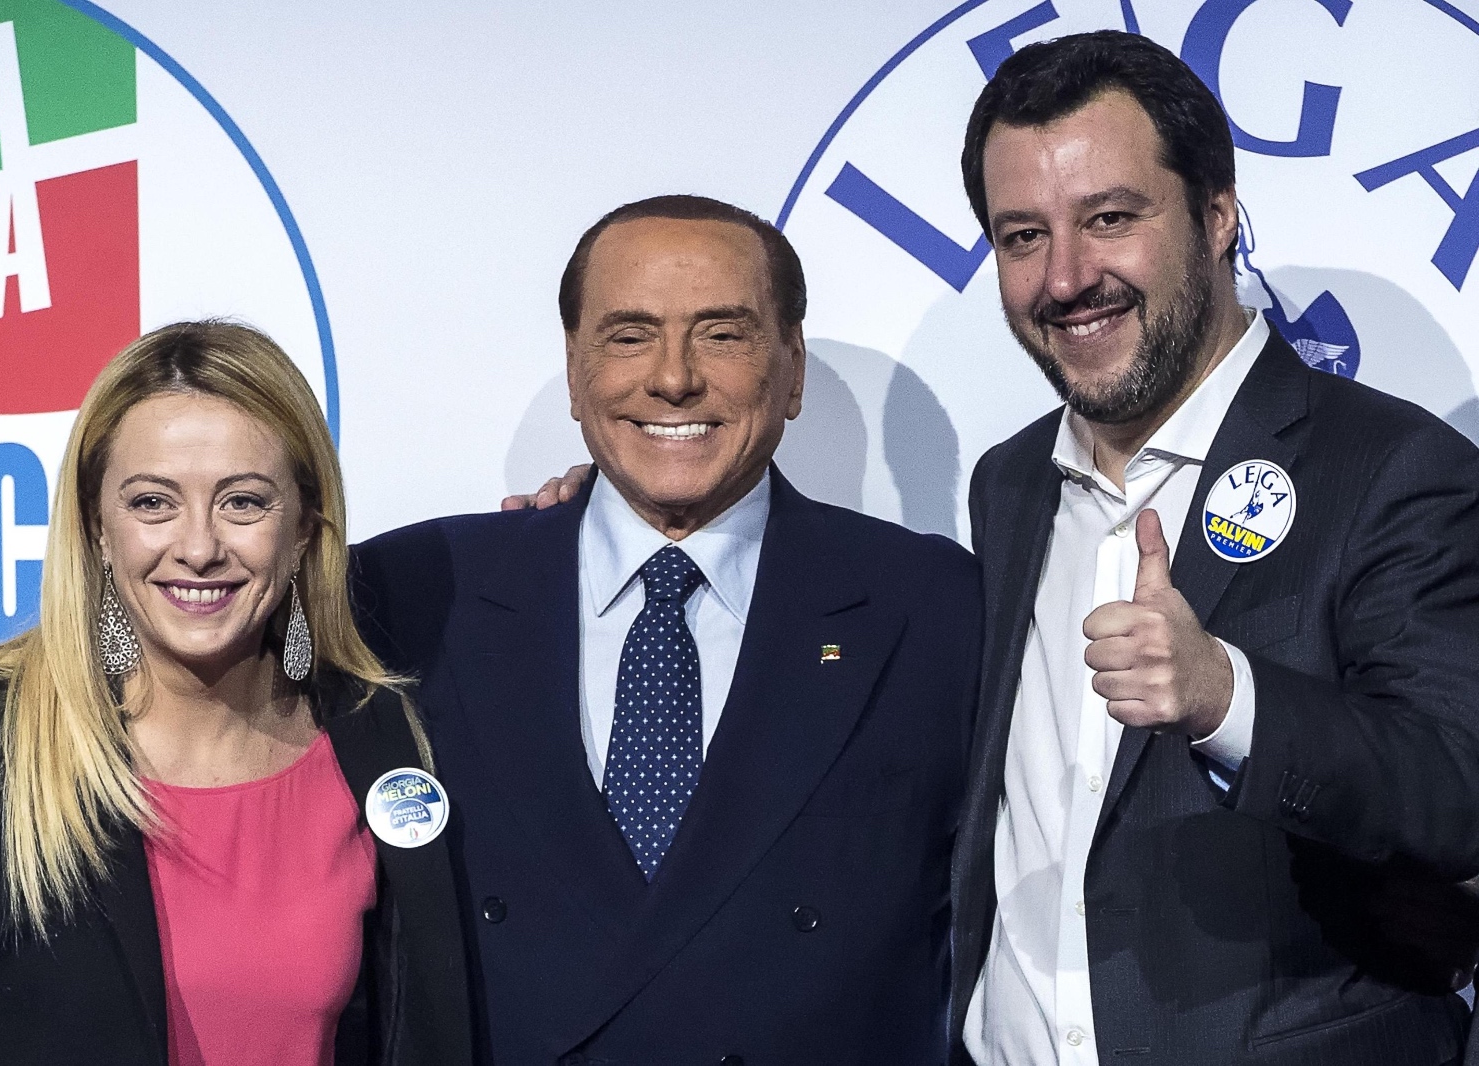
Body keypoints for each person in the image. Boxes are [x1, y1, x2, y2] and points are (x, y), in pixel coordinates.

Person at [945, 31, 1479, 1066]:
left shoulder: (1392, 466)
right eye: (1022, 236)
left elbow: (1457, 787)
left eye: (1109, 218)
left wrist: (1227, 697)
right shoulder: (1007, 484)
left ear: (1218, 214)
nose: (1066, 277)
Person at [350, 195, 982, 1064]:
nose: (674, 378)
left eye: (722, 334)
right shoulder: (410, 596)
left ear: (792, 369)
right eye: (629, 336)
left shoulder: (936, 608)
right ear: (575, 372)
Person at [0, 322, 472, 1066]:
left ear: (303, 529)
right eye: (153, 503)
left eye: (243, 502)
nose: (197, 548)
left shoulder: (375, 739)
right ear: (97, 526)